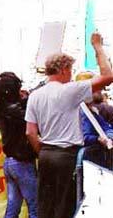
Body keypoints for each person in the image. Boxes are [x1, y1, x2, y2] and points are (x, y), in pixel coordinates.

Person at [25, 32, 113, 218]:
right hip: (66, 154)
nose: (71, 74)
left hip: (46, 153)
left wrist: (43, 150)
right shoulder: (70, 90)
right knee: (64, 205)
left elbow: (30, 132)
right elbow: (108, 76)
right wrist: (97, 47)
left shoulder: (35, 95)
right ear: (64, 69)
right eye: (70, 70)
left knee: (45, 204)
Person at [0, 72, 38, 218]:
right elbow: (28, 120)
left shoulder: (1, 109)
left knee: (13, 205)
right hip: (22, 162)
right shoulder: (14, 111)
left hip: (10, 162)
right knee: (34, 205)